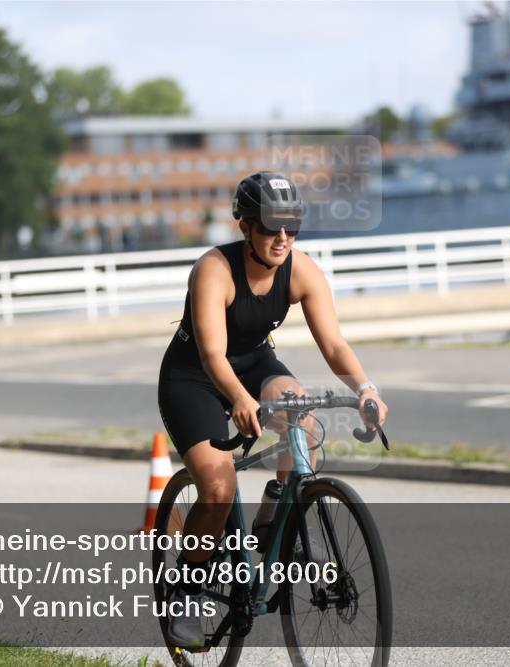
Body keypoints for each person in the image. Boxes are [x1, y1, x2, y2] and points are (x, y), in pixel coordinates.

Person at [156, 171, 389, 648]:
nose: (282, 238)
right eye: (269, 226)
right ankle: (184, 590)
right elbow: (212, 357)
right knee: (218, 488)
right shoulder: (214, 270)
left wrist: (365, 388)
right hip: (195, 377)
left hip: (255, 364)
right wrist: (240, 400)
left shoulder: (301, 269)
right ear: (244, 225)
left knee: (301, 414)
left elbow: (334, 343)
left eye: (292, 226)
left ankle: (277, 514)